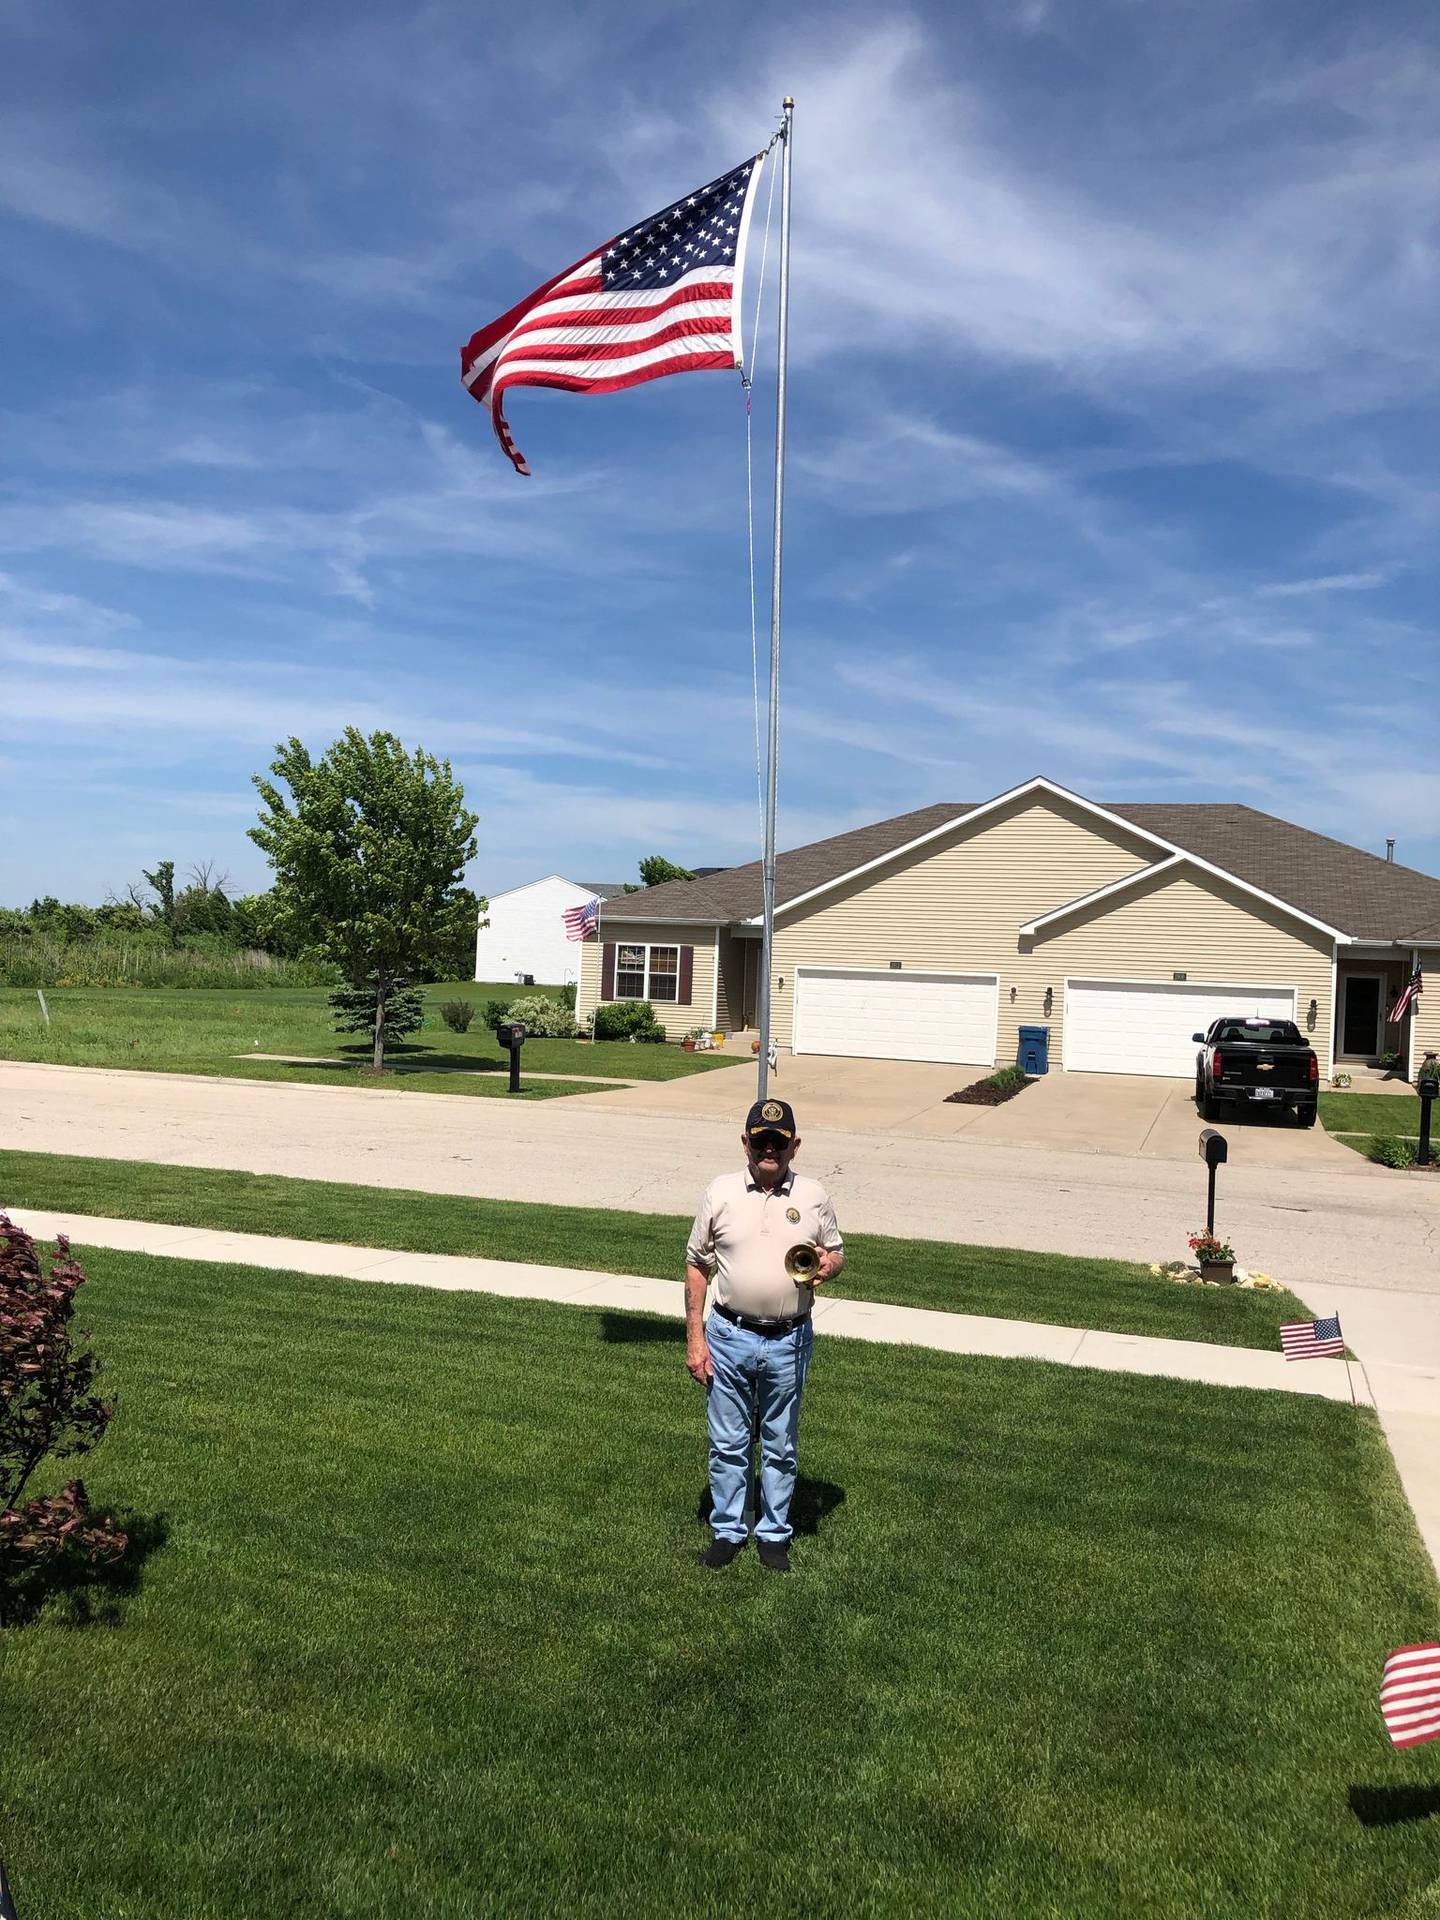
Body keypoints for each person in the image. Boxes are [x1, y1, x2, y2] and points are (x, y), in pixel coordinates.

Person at [684, 1097, 844, 1573]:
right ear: (746, 1143)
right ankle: (728, 1530)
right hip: (729, 1335)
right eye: (761, 1140)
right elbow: (696, 1265)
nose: (769, 1149)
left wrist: (828, 1266)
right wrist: (696, 1340)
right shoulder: (721, 1192)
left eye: (778, 1141)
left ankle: (774, 1534)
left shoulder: (814, 1195)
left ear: (794, 1145)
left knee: (780, 1442)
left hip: (789, 1339)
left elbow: (836, 1251)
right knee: (728, 1442)